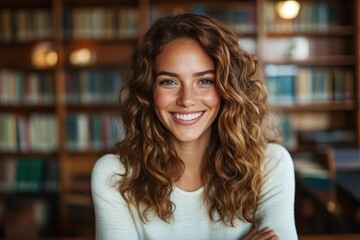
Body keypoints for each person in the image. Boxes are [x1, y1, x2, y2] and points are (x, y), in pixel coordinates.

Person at [91, 13, 298, 240]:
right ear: (148, 91)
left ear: (228, 88)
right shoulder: (115, 176)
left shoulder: (269, 165)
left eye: (204, 81)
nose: (186, 99)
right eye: (169, 82)